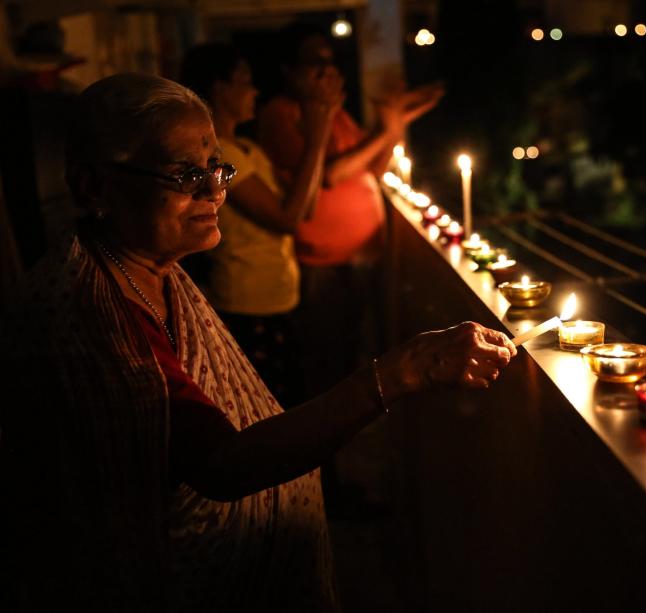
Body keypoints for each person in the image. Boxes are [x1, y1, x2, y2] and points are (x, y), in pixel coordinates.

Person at [0, 73, 515, 611]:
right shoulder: (90, 315)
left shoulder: (150, 271)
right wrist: (406, 371)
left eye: (216, 169)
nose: (214, 191)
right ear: (94, 187)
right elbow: (220, 465)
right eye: (184, 175)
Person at [258, 25, 444, 395]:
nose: (328, 72)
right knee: (326, 358)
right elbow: (330, 174)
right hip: (324, 264)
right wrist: (385, 129)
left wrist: (393, 126)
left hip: (361, 257)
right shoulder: (282, 114)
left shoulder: (336, 115)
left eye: (332, 63)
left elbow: (370, 169)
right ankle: (325, 442)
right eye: (315, 63)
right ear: (289, 72)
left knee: (357, 350)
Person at [179, 42, 342, 405]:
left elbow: (305, 208)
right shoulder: (223, 154)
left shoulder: (245, 147)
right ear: (220, 89)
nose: (255, 91)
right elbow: (287, 219)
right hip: (248, 303)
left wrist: (323, 122)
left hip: (274, 297)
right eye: (245, 81)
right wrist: (315, 137)